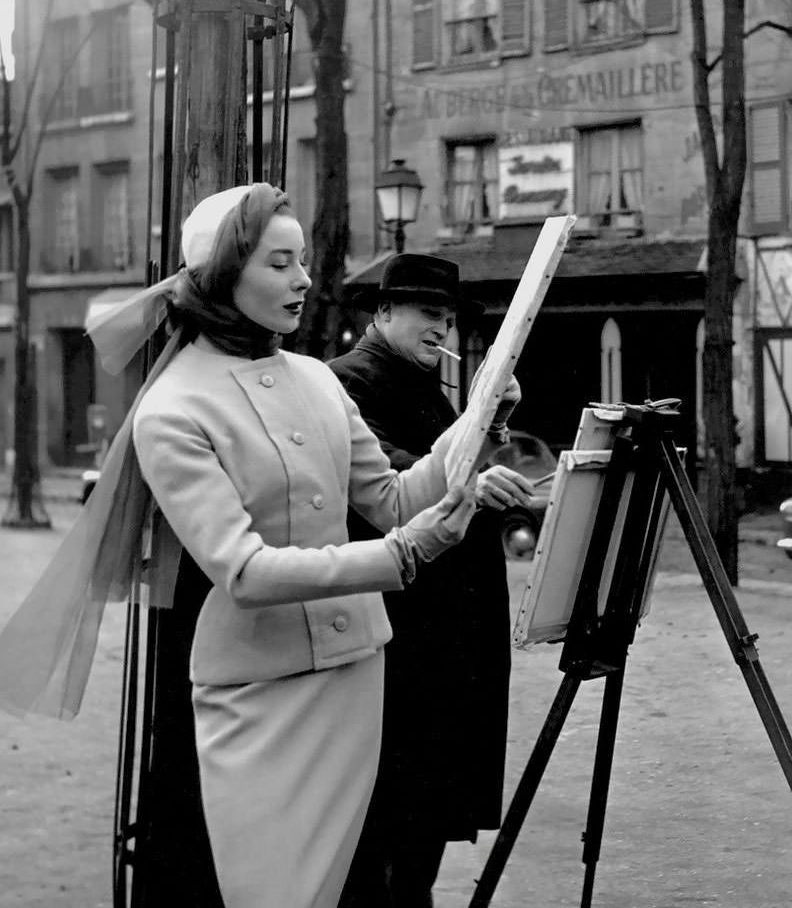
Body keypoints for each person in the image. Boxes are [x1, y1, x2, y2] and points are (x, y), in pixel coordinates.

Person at [0, 183, 522, 908]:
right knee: (271, 889)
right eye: (280, 263)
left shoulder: (315, 379)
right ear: (224, 273)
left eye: (303, 260)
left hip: (355, 676)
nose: (304, 279)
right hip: (256, 691)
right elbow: (241, 570)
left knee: (358, 885)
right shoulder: (174, 408)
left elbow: (394, 496)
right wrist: (403, 556)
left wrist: (480, 421)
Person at [329, 254, 537, 908]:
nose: (441, 330)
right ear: (383, 312)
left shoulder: (414, 381)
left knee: (423, 814)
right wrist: (474, 478)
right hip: (404, 637)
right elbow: (392, 481)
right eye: (428, 315)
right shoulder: (353, 381)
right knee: (393, 817)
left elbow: (451, 465)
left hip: (438, 638)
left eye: (447, 319)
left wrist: (491, 424)